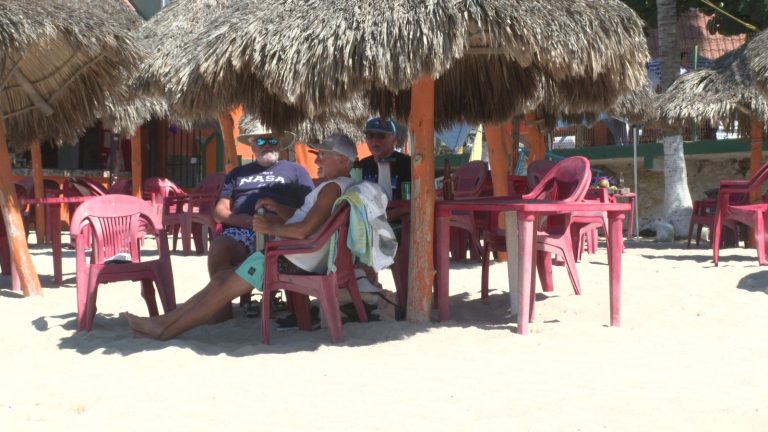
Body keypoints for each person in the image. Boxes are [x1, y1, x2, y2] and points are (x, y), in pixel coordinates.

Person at [126, 133, 358, 340]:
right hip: (296, 254)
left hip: (289, 258)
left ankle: (166, 331)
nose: (317, 160)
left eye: (323, 155)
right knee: (220, 280)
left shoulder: (331, 189)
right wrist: (276, 211)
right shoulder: (340, 186)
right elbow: (305, 222)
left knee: (222, 288)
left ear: (342, 160)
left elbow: (302, 230)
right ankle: (163, 322)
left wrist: (269, 228)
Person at [207, 126, 314, 318]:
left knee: (272, 241)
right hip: (244, 231)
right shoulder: (237, 174)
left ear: (280, 144)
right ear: (252, 146)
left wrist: (278, 218)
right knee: (218, 247)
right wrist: (243, 221)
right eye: (260, 141)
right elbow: (219, 211)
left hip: (282, 229)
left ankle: (271, 300)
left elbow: (310, 208)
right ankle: (221, 312)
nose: (267, 145)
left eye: (272, 140)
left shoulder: (296, 171)